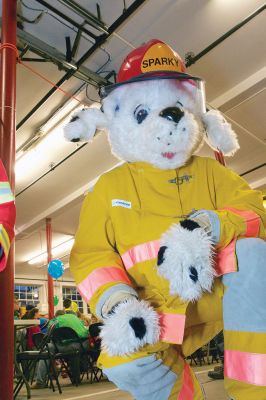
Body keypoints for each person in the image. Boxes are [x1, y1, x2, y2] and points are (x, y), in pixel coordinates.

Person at [65, 39, 266, 399]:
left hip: (215, 291)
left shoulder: (213, 173)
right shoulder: (108, 188)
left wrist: (210, 227)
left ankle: (255, 391)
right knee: (122, 360)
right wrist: (120, 303)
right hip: (152, 308)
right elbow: (91, 256)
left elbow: (255, 215)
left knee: (253, 252)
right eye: (142, 112)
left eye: (177, 107)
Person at [32, 309, 89, 389]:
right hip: (82, 345)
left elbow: (49, 335)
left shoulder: (54, 321)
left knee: (48, 347)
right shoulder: (74, 317)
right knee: (72, 351)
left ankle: (40, 381)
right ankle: (76, 379)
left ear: (56, 316)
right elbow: (85, 330)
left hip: (64, 347)